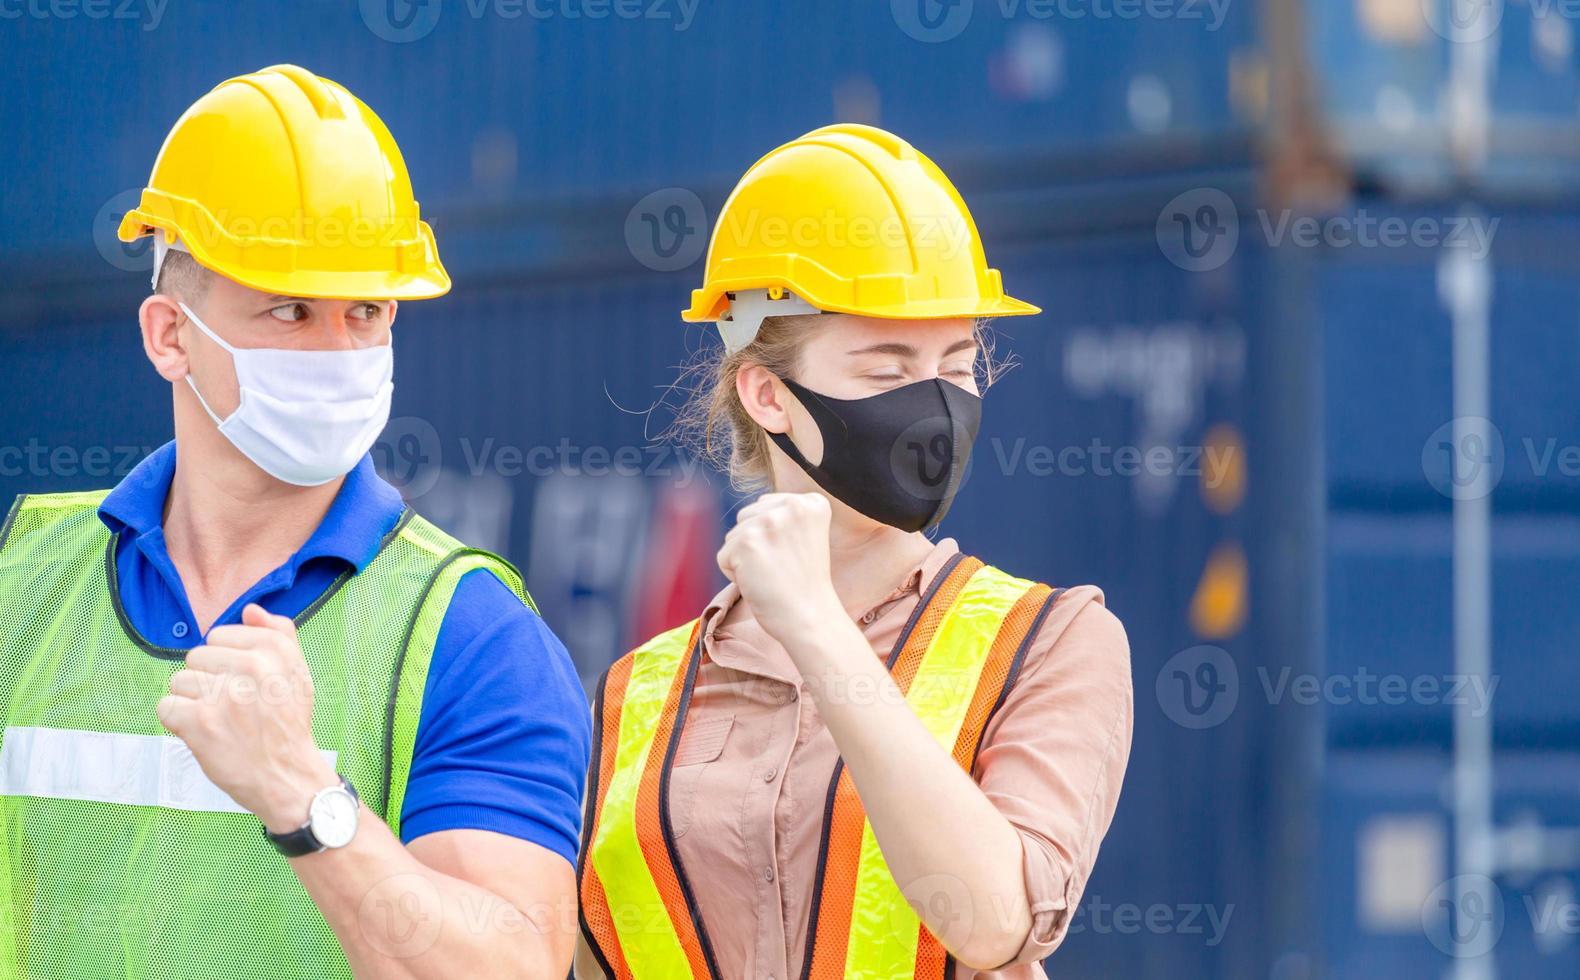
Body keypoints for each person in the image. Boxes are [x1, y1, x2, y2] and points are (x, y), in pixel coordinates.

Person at [0, 66, 588, 979]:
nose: (339, 353)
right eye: (290, 309)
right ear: (169, 335)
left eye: (366, 312)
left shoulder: (472, 633)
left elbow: (515, 967)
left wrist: (303, 795)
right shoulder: (23, 582)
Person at [575, 124, 1134, 979]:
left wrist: (815, 625)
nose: (936, 403)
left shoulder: (1050, 644)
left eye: (958, 361)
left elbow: (990, 922)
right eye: (886, 367)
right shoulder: (632, 696)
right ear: (767, 394)